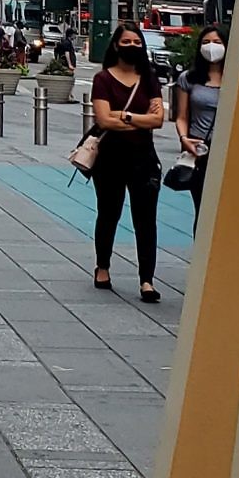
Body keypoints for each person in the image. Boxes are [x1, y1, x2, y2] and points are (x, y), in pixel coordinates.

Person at [90, 23, 167, 301]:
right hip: (110, 158)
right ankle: (103, 266)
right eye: (127, 42)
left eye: (137, 42)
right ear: (115, 45)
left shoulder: (149, 78)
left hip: (143, 158)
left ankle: (147, 280)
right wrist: (139, 119)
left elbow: (158, 120)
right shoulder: (103, 79)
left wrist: (125, 116)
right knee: (109, 213)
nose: (132, 46)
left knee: (146, 220)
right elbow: (103, 119)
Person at [174, 28, 226, 224]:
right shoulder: (189, 78)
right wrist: (184, 139)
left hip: (228, 150)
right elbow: (181, 116)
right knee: (203, 208)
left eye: (217, 41)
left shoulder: (238, 77)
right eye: (205, 42)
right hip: (200, 148)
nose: (211, 46)